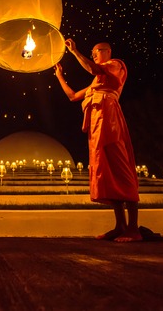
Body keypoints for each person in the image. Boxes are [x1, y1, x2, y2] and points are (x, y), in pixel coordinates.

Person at [54, 39, 142, 242]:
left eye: (96, 52)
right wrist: (59, 76)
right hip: (96, 125)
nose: (93, 55)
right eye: (92, 53)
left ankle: (133, 228)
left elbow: (94, 69)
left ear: (107, 52)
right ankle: (120, 226)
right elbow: (73, 96)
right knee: (106, 170)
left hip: (109, 119)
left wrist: (75, 52)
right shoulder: (96, 82)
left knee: (120, 166)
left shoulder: (115, 65)